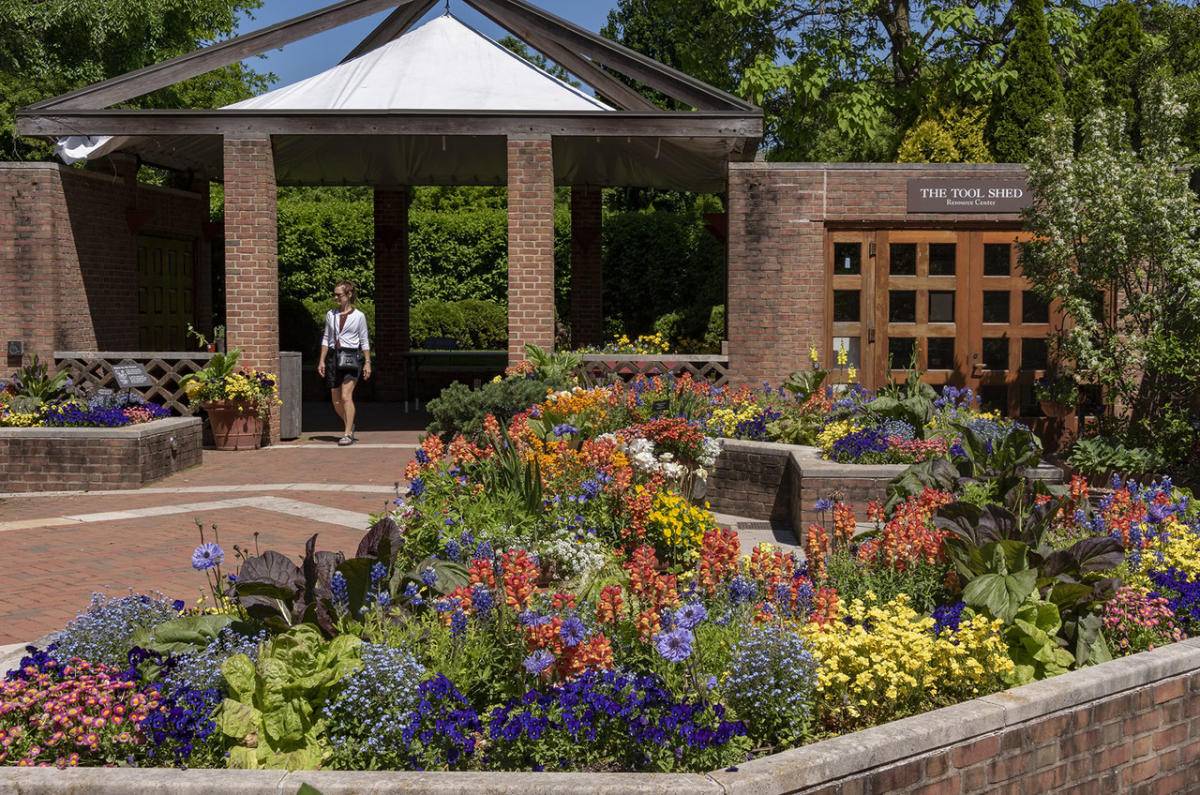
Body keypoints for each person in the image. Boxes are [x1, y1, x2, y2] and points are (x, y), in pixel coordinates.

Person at [317, 281, 371, 445]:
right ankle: (350, 422)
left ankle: (347, 433)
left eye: (339, 295)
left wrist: (368, 362)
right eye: (335, 294)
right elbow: (326, 338)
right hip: (333, 357)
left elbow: (364, 340)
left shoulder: (359, 316)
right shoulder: (330, 314)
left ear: (348, 295)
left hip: (351, 357)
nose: (336, 297)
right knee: (335, 400)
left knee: (346, 396)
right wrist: (321, 361)